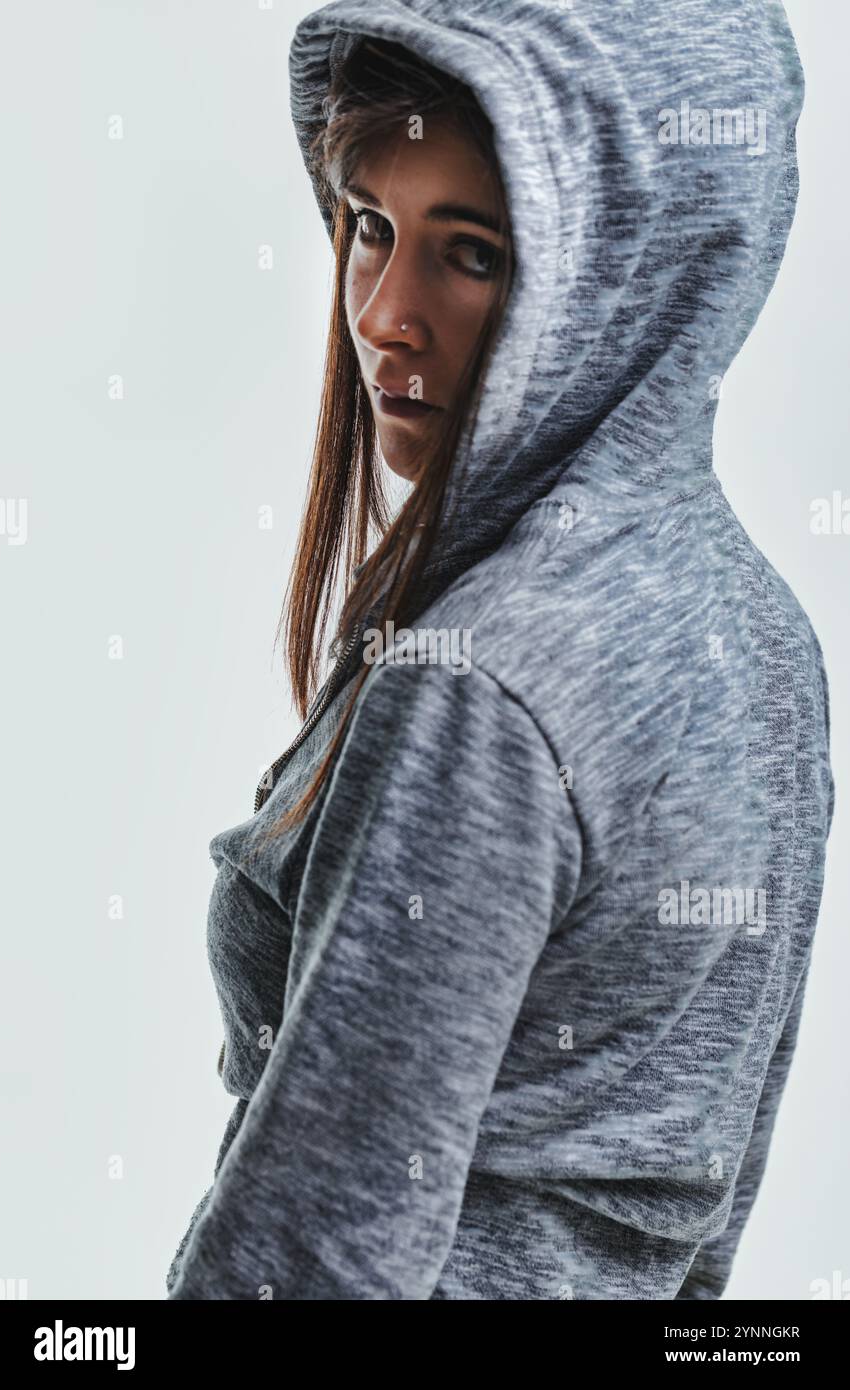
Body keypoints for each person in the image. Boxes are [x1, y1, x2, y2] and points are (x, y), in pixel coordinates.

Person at [166, 0, 834, 1300]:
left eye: (468, 253)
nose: (382, 315)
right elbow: (701, 1233)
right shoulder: (765, 641)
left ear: (628, 266)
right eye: (369, 226)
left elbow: (315, 1260)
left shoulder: (480, 682)